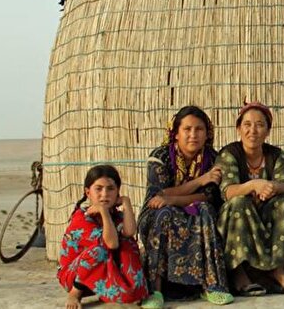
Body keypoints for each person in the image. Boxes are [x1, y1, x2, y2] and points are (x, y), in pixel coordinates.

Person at [137, 106, 233, 308]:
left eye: (199, 129)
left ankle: (212, 285)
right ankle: (155, 289)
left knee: (205, 211)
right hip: (155, 214)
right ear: (176, 133)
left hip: (195, 211)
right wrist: (202, 180)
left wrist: (173, 198)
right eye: (187, 129)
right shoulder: (160, 157)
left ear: (207, 133)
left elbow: (207, 197)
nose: (193, 135)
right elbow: (159, 196)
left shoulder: (213, 158)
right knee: (165, 213)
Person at [215, 101, 284, 296]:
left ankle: (278, 270)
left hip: (266, 212)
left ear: (268, 131)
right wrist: (253, 185)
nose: (253, 130)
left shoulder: (275, 154)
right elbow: (227, 191)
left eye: (260, 125)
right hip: (235, 216)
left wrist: (272, 187)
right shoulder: (229, 154)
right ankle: (240, 275)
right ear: (238, 129)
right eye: (247, 125)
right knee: (239, 203)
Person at [58, 165, 148, 309]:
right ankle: (74, 294)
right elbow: (110, 244)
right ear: (88, 192)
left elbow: (130, 232)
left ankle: (130, 288)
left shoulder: (117, 215)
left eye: (110, 189)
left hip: (103, 272)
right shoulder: (82, 217)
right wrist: (103, 212)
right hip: (75, 275)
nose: (104, 194)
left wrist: (126, 203)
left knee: (128, 243)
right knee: (100, 249)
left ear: (117, 191)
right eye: (98, 189)